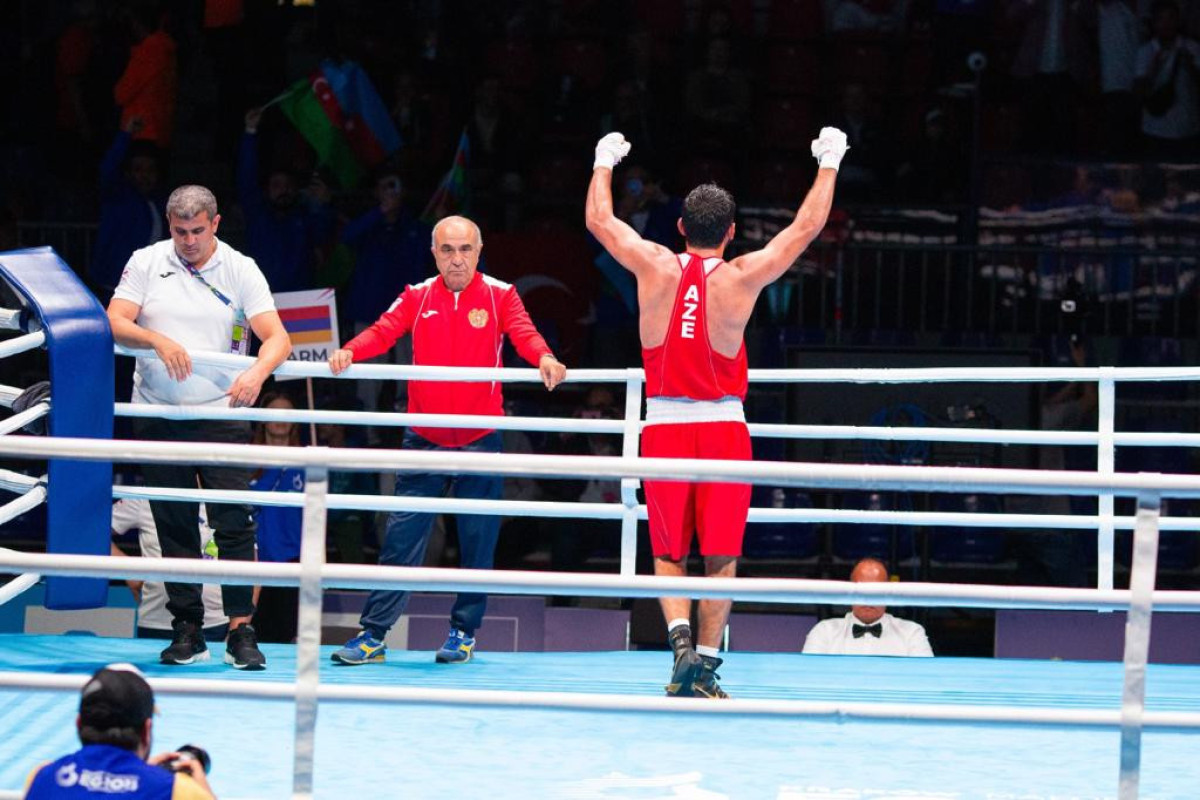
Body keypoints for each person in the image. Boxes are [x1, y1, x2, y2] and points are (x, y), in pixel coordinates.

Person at [585, 128, 846, 698]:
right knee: (721, 554)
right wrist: (829, 162)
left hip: (666, 427)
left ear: (680, 228)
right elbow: (806, 228)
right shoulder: (742, 275)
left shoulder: (654, 265)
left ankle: (678, 647)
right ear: (731, 233)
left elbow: (601, 222)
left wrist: (604, 161)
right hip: (725, 428)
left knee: (668, 551)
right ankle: (702, 665)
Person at [327, 215, 566, 666]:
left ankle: (463, 632)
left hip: (480, 438)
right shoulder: (417, 296)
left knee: (477, 542)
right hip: (424, 437)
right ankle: (374, 633)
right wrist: (351, 350)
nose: (456, 259)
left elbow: (524, 333)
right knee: (401, 541)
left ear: (478, 251)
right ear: (434, 253)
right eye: (447, 250)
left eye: (465, 250)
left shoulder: (500, 295)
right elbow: (383, 331)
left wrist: (546, 357)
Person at [106, 185, 292, 671]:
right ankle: (187, 628)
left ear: (216, 223)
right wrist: (156, 340)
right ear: (169, 225)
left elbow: (277, 337)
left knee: (233, 523)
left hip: (221, 414)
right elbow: (114, 321)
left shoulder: (240, 267)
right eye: (179, 231)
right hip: (157, 414)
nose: (188, 240)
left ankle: (240, 631)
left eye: (197, 230)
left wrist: (255, 372)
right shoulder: (146, 261)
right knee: (173, 524)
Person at [23, 664, 215, 799]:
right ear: (146, 731)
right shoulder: (176, 790)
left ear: (78, 723)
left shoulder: (42, 776)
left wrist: (139, 771)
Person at [236, 108, 334, 293]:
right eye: (277, 185)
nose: (284, 190)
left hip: (300, 300)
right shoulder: (257, 214)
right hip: (261, 300)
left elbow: (323, 235)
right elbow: (246, 177)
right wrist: (250, 132)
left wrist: (323, 205)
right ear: (267, 190)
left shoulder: (305, 218)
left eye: (288, 185)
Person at [110, 497, 229, 641]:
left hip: (216, 623)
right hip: (156, 621)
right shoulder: (145, 498)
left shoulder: (225, 497)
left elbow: (250, 560)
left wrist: (237, 627)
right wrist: (128, 570)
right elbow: (92, 530)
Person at [248, 391, 305, 643]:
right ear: (262, 419)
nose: (281, 419)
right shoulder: (247, 458)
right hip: (254, 559)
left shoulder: (308, 460)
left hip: (292, 561)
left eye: (287, 413)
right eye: (274, 412)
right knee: (251, 631)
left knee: (285, 635)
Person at [802, 558, 934, 656]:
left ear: (887, 593)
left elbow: (925, 681)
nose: (868, 598)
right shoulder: (824, 631)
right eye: (862, 590)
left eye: (875, 590)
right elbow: (809, 677)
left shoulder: (911, 633)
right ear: (850, 592)